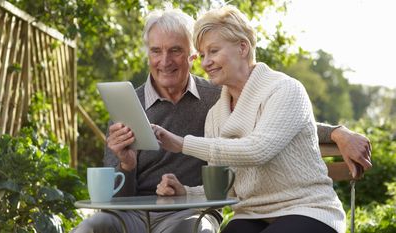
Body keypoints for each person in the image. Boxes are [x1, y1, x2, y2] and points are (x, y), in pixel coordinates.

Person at [72, 5, 371, 233]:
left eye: (178, 51)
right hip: (238, 212)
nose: (166, 61)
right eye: (157, 51)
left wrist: (337, 133)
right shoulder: (213, 106)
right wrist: (134, 167)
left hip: (291, 209)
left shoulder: (231, 94)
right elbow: (225, 182)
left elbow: (266, 138)